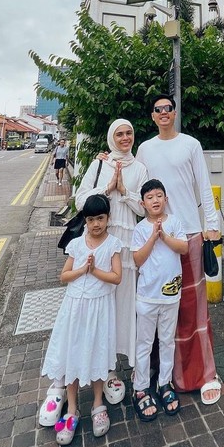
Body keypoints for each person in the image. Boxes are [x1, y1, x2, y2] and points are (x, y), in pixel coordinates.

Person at [135, 94, 222, 405]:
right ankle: (161, 374)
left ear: (174, 113)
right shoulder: (144, 149)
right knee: (158, 305)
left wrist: (212, 225)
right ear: (153, 115)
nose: (163, 113)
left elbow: (204, 187)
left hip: (190, 233)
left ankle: (201, 373)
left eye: (168, 109)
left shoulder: (191, 144)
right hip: (156, 236)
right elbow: (136, 189)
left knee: (192, 307)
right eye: (158, 109)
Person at [39, 194, 122, 445]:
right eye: (91, 219)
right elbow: (64, 276)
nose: (96, 224)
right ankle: (72, 409)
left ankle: (97, 404)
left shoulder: (113, 244)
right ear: (85, 220)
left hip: (99, 308)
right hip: (74, 309)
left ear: (108, 218)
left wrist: (95, 271)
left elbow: (117, 277)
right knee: (72, 356)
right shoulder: (76, 244)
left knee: (97, 354)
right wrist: (83, 269)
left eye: (100, 218)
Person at [75, 118, 147, 399]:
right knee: (97, 301)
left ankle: (117, 364)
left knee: (124, 303)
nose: (125, 138)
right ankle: (100, 366)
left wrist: (124, 191)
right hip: (98, 243)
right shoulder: (99, 164)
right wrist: (107, 188)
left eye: (129, 133)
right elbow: (80, 201)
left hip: (126, 245)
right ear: (110, 138)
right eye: (119, 134)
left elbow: (143, 209)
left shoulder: (139, 168)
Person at [131, 179, 188, 421]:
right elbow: (137, 259)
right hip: (147, 296)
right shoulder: (140, 229)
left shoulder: (174, 222)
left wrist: (164, 236)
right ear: (142, 203)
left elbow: (184, 248)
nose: (155, 200)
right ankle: (141, 387)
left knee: (167, 341)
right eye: (150, 197)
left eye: (159, 195)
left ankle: (165, 383)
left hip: (170, 296)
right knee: (144, 343)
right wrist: (153, 238)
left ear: (166, 199)